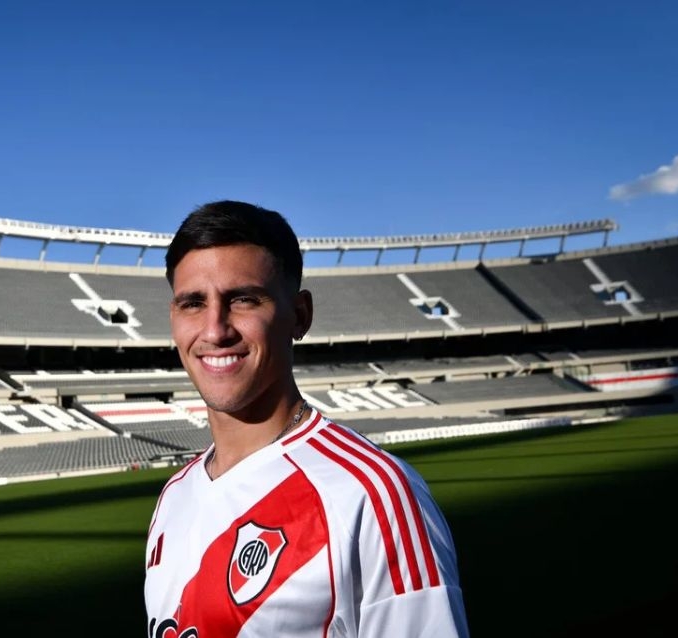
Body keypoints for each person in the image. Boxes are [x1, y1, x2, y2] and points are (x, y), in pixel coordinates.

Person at [144, 201, 469, 637]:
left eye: (243, 299)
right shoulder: (174, 496)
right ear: (173, 318)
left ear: (300, 315)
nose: (215, 329)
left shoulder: (373, 494)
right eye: (193, 303)